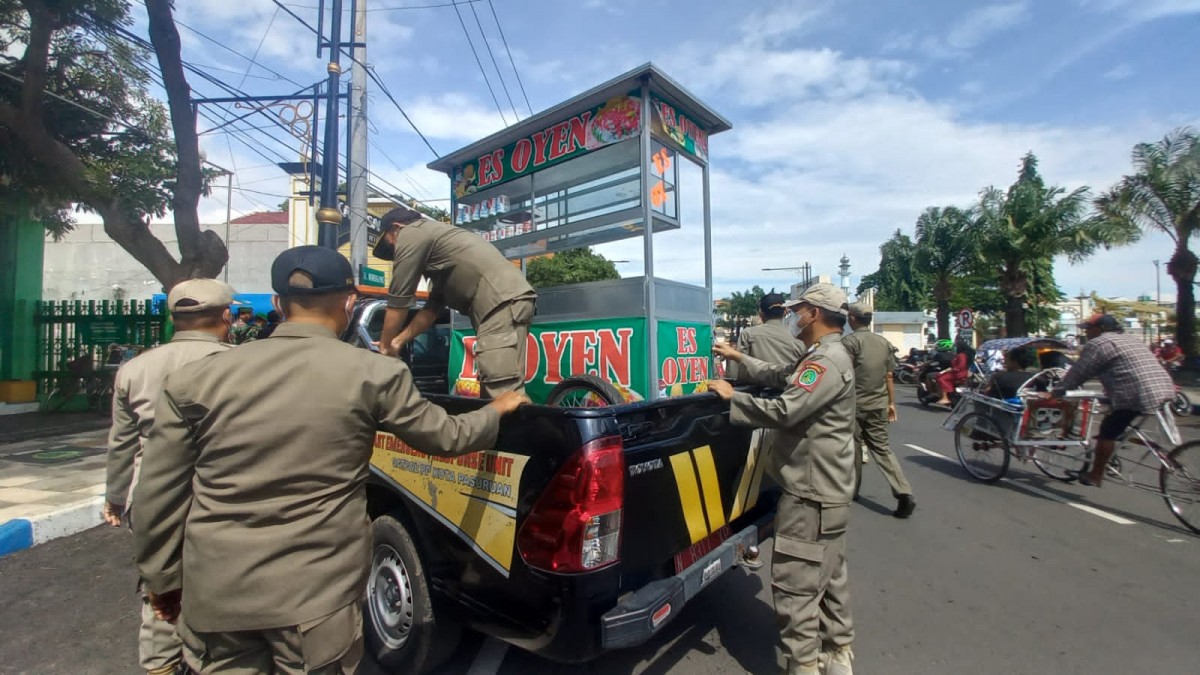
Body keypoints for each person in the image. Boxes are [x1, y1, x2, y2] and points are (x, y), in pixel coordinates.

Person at [133, 246, 529, 674]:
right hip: (317, 597)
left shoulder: (192, 381)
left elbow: (159, 494)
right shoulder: (374, 374)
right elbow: (446, 437)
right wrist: (497, 409)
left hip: (217, 595)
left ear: (280, 305)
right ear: (349, 302)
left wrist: (162, 580)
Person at [709, 283, 857, 675]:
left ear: (815, 313)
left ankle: (804, 664)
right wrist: (738, 356)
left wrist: (732, 398)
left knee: (795, 581)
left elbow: (787, 408)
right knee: (831, 575)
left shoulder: (825, 361)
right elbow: (782, 375)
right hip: (831, 487)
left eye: (799, 309)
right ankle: (837, 652)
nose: (793, 315)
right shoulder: (823, 356)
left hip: (811, 491)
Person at [104, 278, 235, 675]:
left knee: (159, 587)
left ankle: (161, 663)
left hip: (152, 495)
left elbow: (121, 443)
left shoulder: (135, 368)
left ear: (173, 318)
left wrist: (115, 496)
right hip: (219, 492)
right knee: (221, 584)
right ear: (226, 316)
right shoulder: (238, 365)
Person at [374, 207, 537, 397]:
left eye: (390, 244)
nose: (395, 253)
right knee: (500, 391)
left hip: (500, 302)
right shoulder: (440, 247)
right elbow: (432, 309)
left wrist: (385, 347)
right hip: (510, 300)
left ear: (395, 229)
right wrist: (397, 341)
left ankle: (538, 428)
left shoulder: (412, 233)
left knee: (502, 389)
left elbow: (399, 297)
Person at [1050, 313, 1174, 487]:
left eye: (1089, 329)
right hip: (1164, 388)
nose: (1086, 333)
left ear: (1099, 329)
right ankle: (1112, 455)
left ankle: (1095, 475)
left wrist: (1057, 391)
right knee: (1118, 420)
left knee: (1108, 430)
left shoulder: (1099, 343)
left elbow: (1080, 372)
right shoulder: (1131, 339)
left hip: (1137, 394)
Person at [841, 303, 915, 518]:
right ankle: (903, 491)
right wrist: (891, 403)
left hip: (853, 405)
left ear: (852, 319)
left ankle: (852, 490)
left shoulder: (850, 342)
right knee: (882, 449)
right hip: (878, 404)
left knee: (852, 449)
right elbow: (889, 376)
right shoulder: (884, 343)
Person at [725, 291, 806, 382]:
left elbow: (739, 370)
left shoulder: (748, 334)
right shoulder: (799, 337)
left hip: (754, 393)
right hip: (789, 391)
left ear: (761, 313)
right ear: (785, 311)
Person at [933, 341, 971, 406]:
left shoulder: (961, 355)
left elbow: (960, 366)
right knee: (939, 375)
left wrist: (953, 369)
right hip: (956, 372)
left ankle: (945, 397)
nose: (954, 348)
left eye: (956, 346)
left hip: (959, 373)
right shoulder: (958, 355)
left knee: (941, 378)